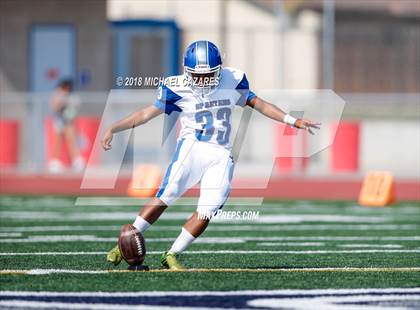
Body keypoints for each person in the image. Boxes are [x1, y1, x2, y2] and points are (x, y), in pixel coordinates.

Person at [102, 40, 320, 270]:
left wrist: (292, 120)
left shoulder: (232, 79)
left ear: (219, 70)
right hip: (191, 148)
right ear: (187, 72)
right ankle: (123, 244)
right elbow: (146, 114)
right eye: (198, 76)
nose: (203, 80)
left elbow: (260, 104)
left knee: (209, 208)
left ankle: (172, 254)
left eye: (209, 75)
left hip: (221, 153)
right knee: (167, 195)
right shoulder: (176, 86)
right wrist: (114, 127)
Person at [48, 79, 85, 173]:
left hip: (68, 121)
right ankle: (54, 162)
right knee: (57, 142)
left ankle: (77, 161)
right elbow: (55, 106)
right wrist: (61, 100)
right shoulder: (57, 94)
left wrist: (67, 104)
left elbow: (75, 108)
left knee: (72, 141)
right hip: (59, 121)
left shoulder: (73, 96)